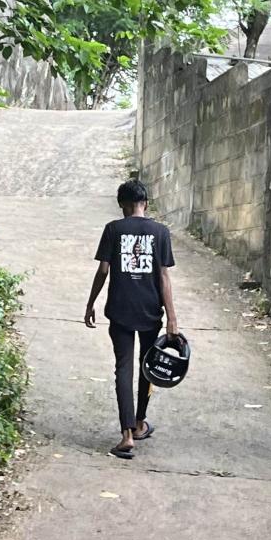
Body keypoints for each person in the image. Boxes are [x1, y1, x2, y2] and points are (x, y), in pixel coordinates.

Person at [84, 179, 179, 459]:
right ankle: (139, 423)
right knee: (147, 368)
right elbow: (164, 277)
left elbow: (103, 271)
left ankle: (126, 435)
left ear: (122, 205)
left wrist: (91, 303)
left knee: (123, 368)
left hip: (121, 310)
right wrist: (172, 317)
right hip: (150, 311)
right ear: (145, 203)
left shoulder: (114, 229)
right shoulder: (160, 232)